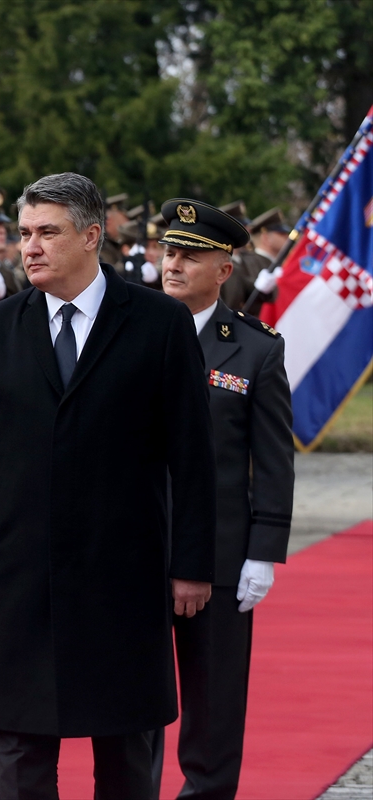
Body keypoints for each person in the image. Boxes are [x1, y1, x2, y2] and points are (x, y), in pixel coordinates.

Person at [0, 172, 217, 800]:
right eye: (24, 234)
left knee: (126, 747)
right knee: (21, 748)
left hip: (124, 574)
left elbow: (193, 456)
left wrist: (193, 565)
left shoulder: (158, 322)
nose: (30, 247)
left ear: (92, 236)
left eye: (48, 233)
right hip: (22, 572)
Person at [156, 198, 295, 800]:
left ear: (224, 268)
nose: (174, 263)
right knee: (133, 693)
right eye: (169, 251)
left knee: (213, 696)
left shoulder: (255, 349)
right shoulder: (125, 333)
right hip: (136, 544)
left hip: (218, 551)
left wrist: (264, 548)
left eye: (191, 255)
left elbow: (273, 459)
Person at [99, 192, 129, 270]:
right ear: (109, 221)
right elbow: (106, 271)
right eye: (122, 221)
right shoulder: (102, 246)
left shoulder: (114, 244)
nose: (126, 225)